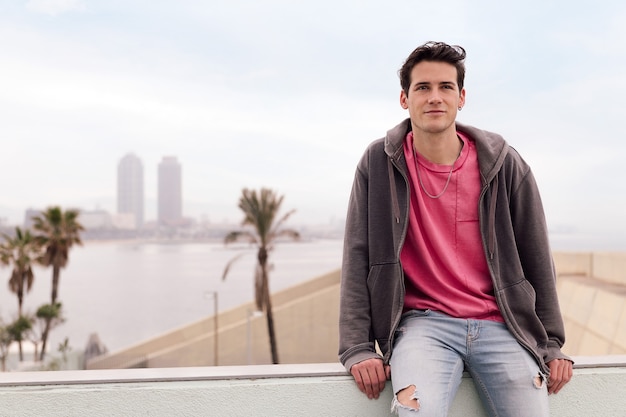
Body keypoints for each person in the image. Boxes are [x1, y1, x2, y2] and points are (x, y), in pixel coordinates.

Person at [338, 41, 573, 417]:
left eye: (446, 87)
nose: (435, 97)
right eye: (423, 87)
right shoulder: (377, 163)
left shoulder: (504, 164)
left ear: (461, 97)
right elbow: (357, 254)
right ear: (404, 98)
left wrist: (552, 343)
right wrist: (358, 347)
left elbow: (536, 256)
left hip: (502, 324)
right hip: (422, 326)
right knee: (415, 412)